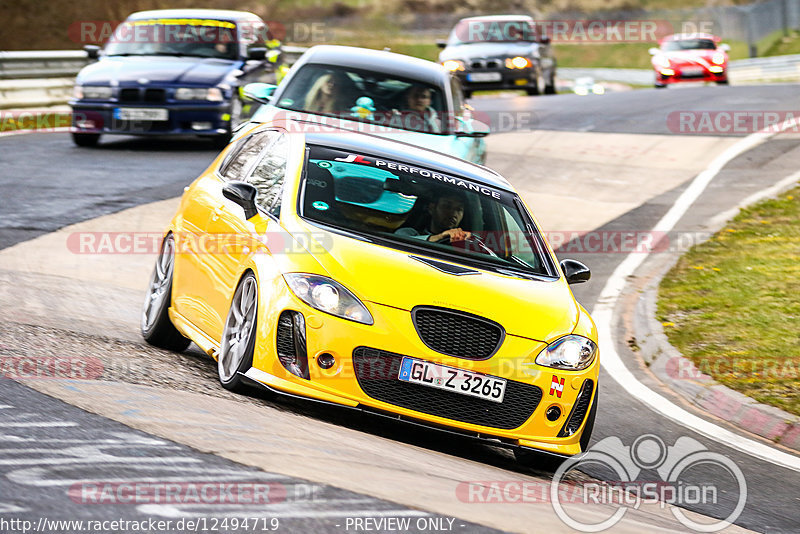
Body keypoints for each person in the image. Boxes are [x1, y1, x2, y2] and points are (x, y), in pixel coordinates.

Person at [396, 191, 470, 242]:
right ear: (431, 208)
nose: (453, 214)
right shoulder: (409, 233)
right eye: (447, 206)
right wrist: (441, 237)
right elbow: (399, 241)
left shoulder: (465, 243)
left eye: (459, 209)